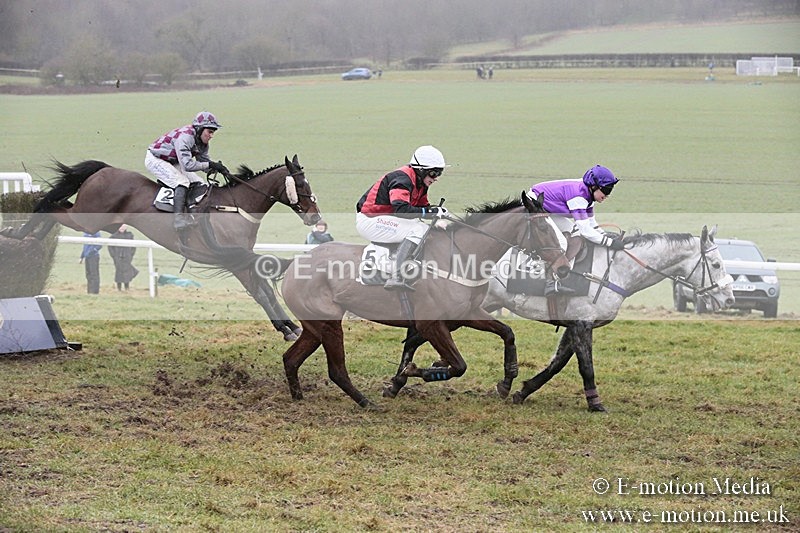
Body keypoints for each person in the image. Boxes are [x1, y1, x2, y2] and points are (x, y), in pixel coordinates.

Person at [356, 145, 449, 291]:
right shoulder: (402, 179)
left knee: (422, 226)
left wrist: (437, 211)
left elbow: (422, 207)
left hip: (384, 218)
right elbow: (401, 209)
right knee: (419, 229)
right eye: (433, 173)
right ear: (421, 170)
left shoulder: (420, 183)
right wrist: (430, 212)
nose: (435, 178)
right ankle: (397, 276)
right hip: (370, 220)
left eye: (439, 173)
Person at [531, 165, 623, 296]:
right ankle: (550, 282)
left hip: (549, 209)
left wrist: (607, 236)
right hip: (536, 207)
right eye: (606, 190)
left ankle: (561, 277)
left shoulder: (588, 196)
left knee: (575, 234)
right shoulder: (579, 196)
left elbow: (592, 224)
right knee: (561, 242)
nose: (607, 195)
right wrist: (609, 243)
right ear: (593, 186)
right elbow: (586, 231)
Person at [145, 111, 230, 231]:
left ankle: (191, 211)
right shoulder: (185, 138)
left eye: (213, 132)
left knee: (199, 182)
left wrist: (218, 169)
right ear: (200, 129)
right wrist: (211, 164)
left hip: (173, 161)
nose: (211, 135)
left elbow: (203, 164)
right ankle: (178, 220)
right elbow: (187, 165)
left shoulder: (203, 143)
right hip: (155, 159)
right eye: (209, 132)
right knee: (182, 182)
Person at [108, 225, 139, 291]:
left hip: (127, 256)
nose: (122, 228)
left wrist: (131, 255)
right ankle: (119, 288)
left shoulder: (129, 236)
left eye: (123, 226)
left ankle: (126, 287)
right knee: (118, 271)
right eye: (120, 226)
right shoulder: (114, 236)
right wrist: (113, 255)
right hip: (117, 256)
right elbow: (110, 247)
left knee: (126, 272)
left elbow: (133, 246)